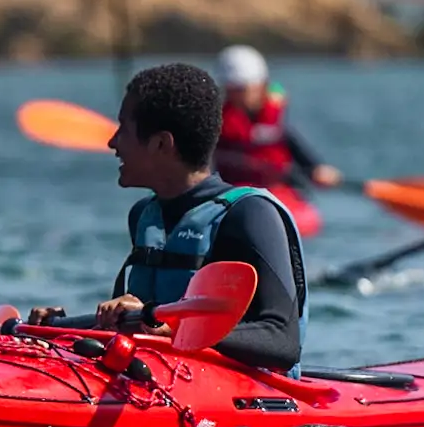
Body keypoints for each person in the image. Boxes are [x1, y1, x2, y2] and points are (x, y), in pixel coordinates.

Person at [34, 62, 307, 374]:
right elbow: (137, 325)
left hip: (251, 400)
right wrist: (57, 327)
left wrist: (168, 327)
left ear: (162, 143)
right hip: (162, 381)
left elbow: (282, 342)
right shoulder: (144, 216)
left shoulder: (249, 214)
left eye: (123, 128)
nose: (112, 142)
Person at [213, 45, 342, 193]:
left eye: (242, 89)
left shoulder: (278, 115)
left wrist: (316, 169)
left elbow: (292, 141)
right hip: (236, 190)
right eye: (231, 90)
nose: (237, 96)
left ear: (261, 85)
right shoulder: (218, 123)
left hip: (277, 188)